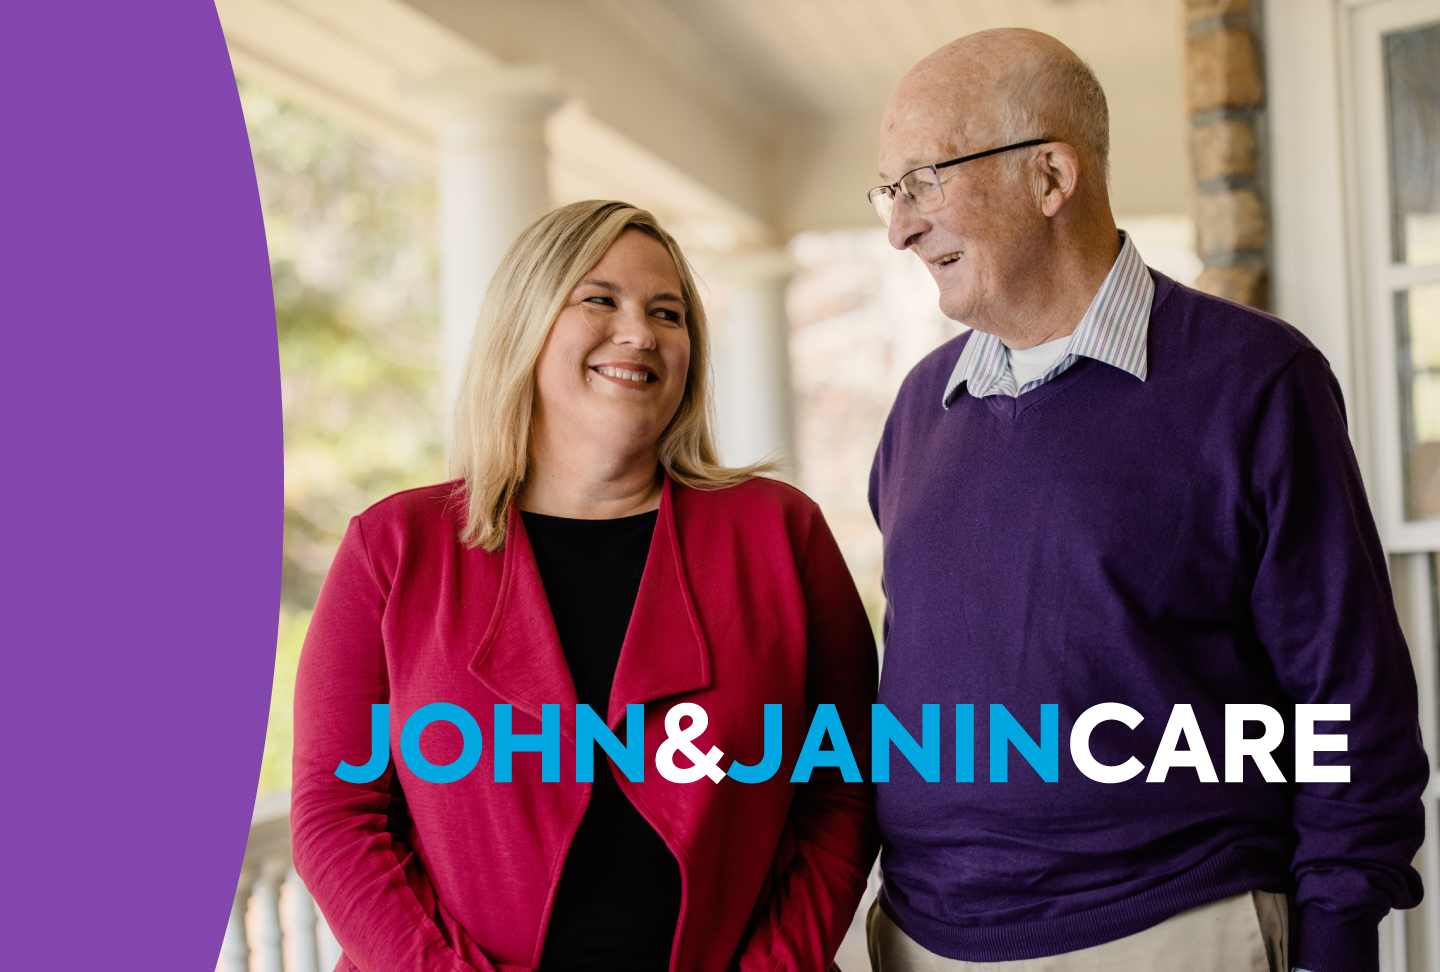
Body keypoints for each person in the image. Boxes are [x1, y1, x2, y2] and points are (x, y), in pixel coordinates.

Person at [863, 28, 1426, 972]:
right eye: (890, 192)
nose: (900, 227)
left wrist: (1336, 947)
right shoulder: (921, 406)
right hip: (922, 939)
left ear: (1050, 177)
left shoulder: (1256, 380)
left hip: (1170, 933)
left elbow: (1350, 708)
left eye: (924, 181)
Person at [291, 200, 878, 972]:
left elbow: (844, 787)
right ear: (525, 326)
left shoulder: (780, 534)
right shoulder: (393, 547)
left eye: (667, 312)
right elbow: (337, 816)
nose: (640, 332)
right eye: (600, 299)